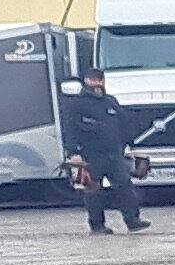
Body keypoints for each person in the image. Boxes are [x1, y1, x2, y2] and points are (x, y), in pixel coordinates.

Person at [60, 60, 150, 234]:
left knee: (124, 186)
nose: (95, 83)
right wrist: (73, 153)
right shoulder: (76, 104)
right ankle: (97, 225)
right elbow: (69, 129)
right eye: (92, 80)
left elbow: (123, 125)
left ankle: (132, 220)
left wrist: (130, 146)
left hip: (114, 154)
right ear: (86, 81)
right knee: (93, 191)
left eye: (98, 79)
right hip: (90, 155)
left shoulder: (110, 102)